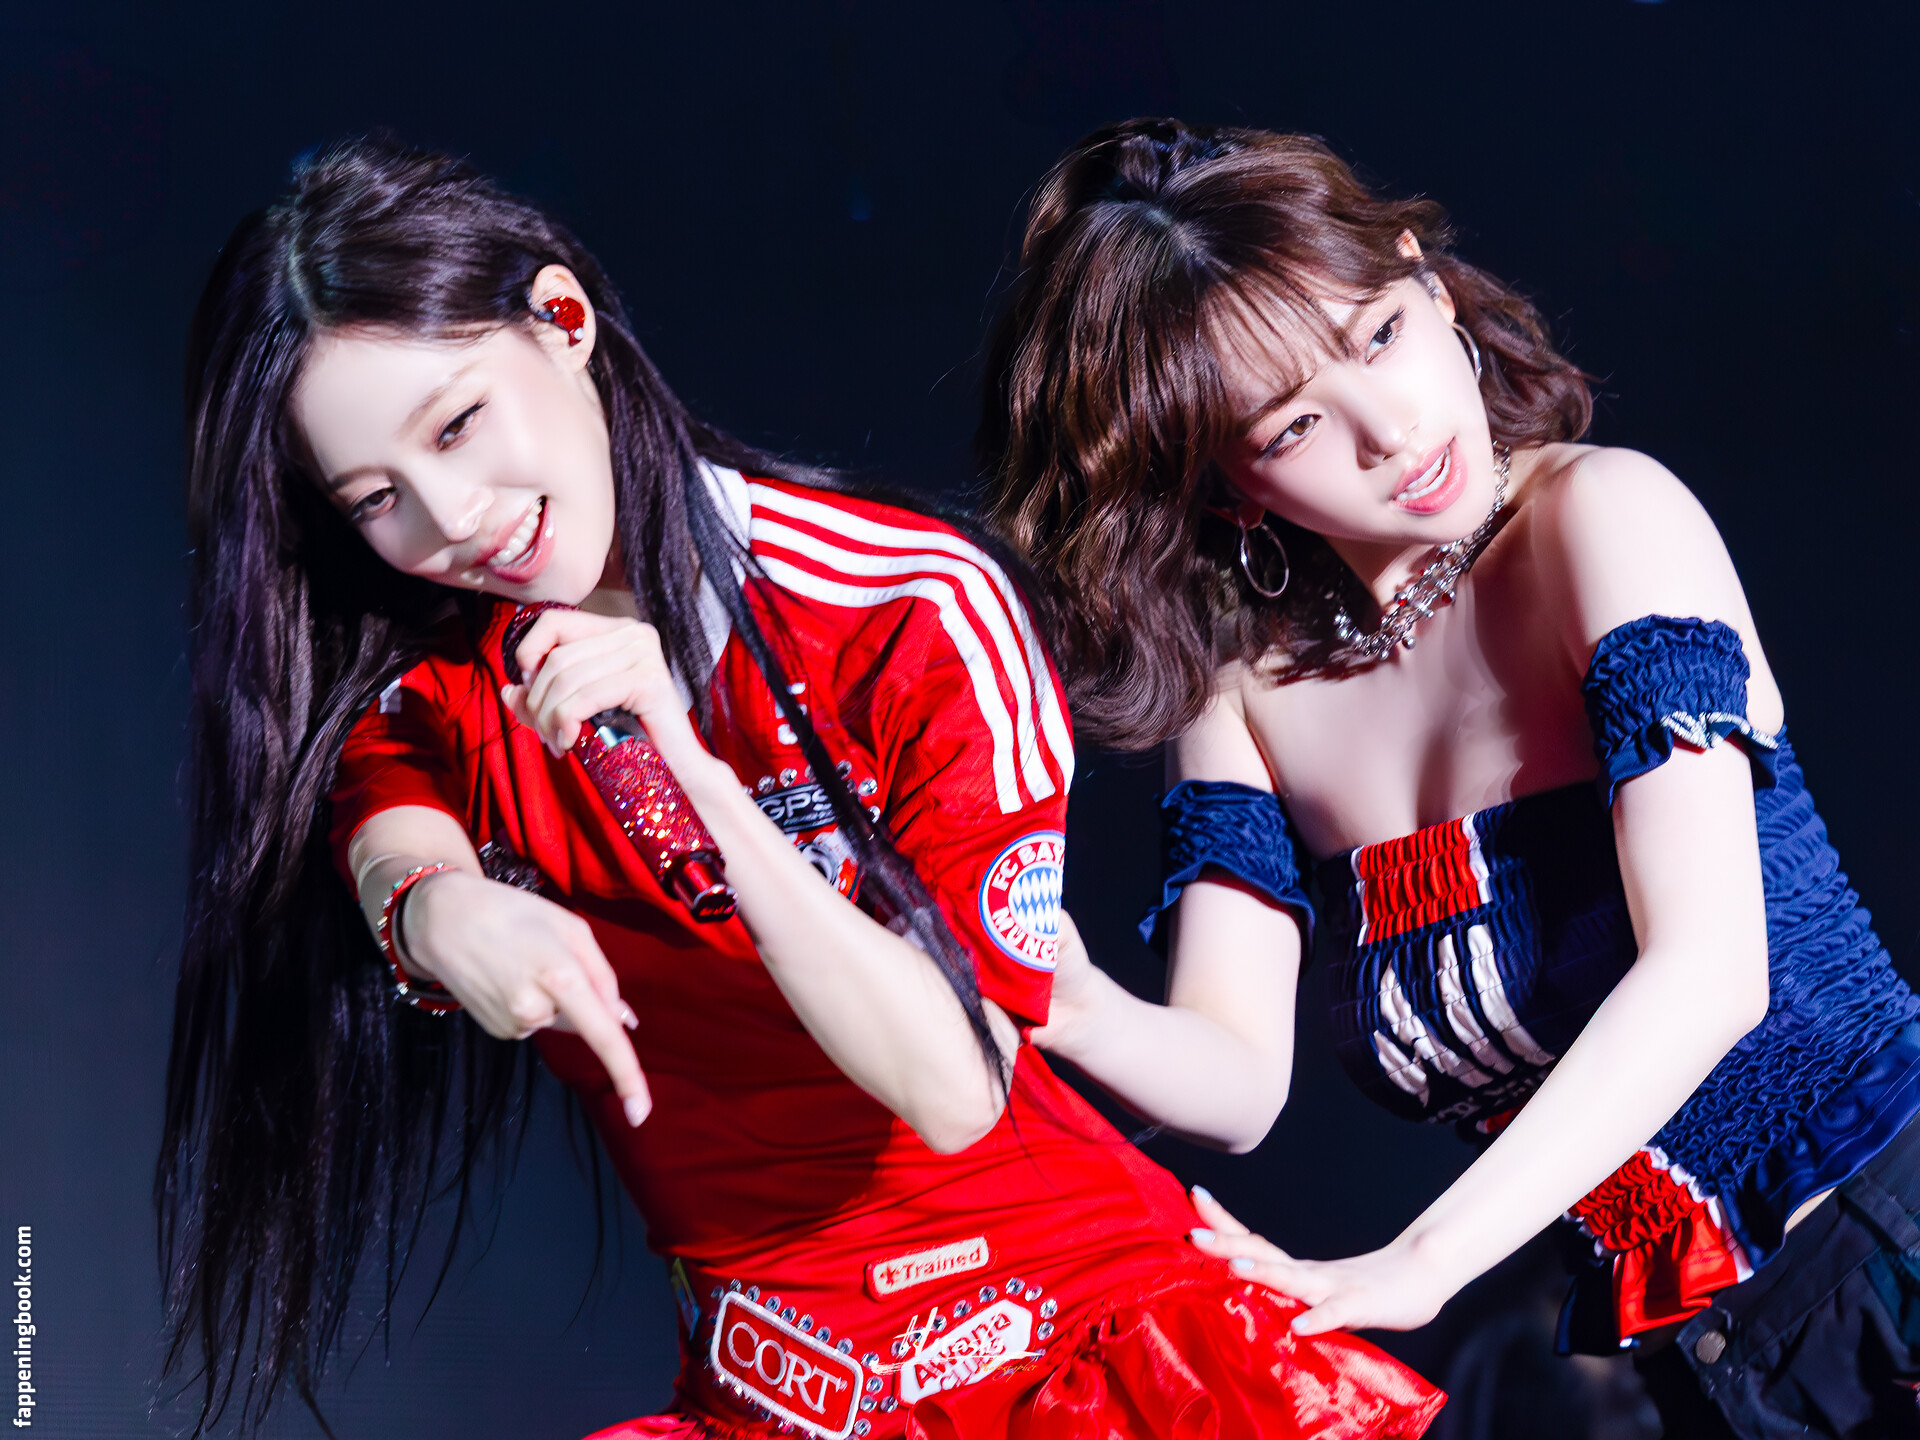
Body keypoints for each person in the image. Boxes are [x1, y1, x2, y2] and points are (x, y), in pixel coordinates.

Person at [155, 136, 1444, 1440]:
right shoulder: (435, 690)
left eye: (459, 424)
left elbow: (953, 1083)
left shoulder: (904, 611)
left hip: (1070, 1357)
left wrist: (689, 769)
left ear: (561, 321)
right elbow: (391, 835)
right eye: (378, 497)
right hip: (765, 1393)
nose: (451, 517)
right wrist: (440, 914)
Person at [979, 116, 1920, 1438]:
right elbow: (1236, 1081)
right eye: (1295, 424)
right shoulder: (1245, 698)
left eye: (1378, 334)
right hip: (1709, 1371)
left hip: (1892, 1252)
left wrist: (1422, 1260)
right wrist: (1064, 999)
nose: (1390, 429)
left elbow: (1712, 974)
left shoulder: (1603, 516)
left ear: (1426, 281)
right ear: (1229, 485)